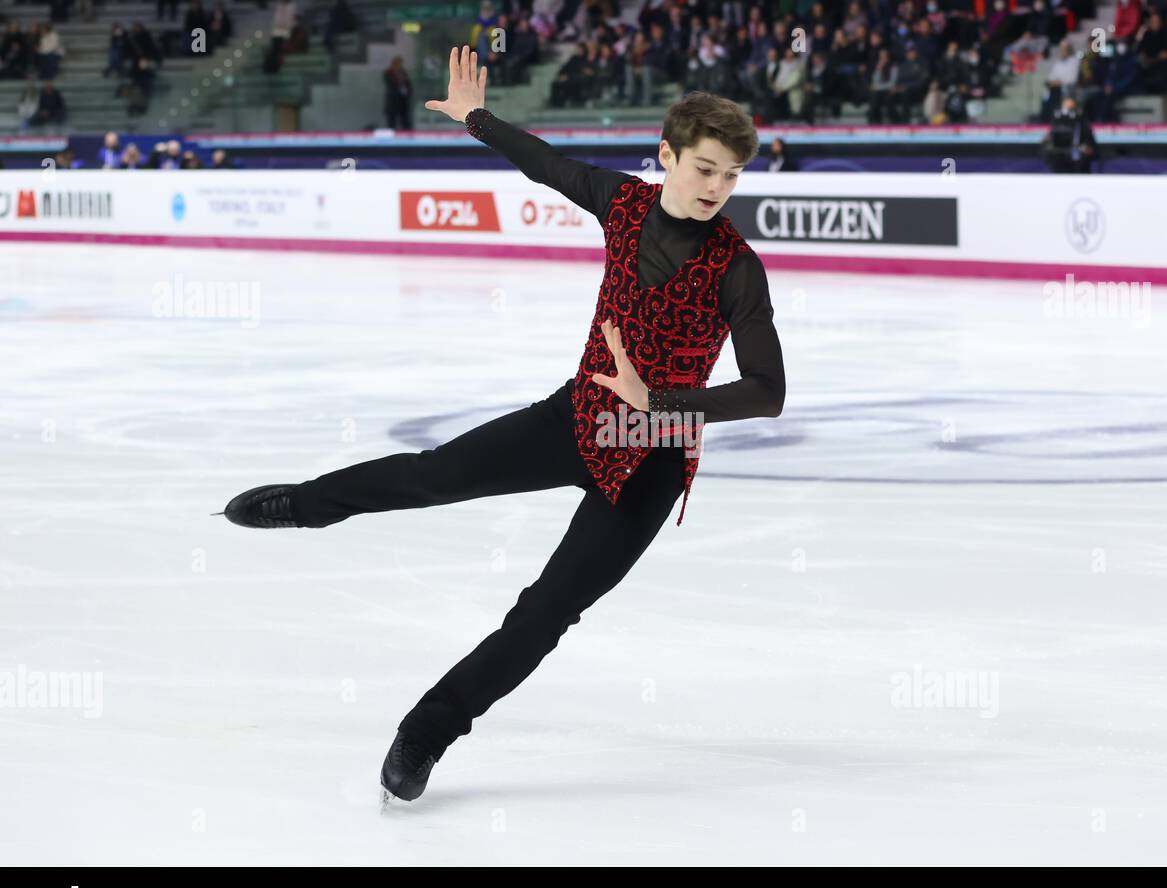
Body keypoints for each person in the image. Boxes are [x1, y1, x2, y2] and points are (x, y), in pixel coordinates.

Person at [221, 46, 786, 805]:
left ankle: (425, 733)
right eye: (705, 168)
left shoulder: (736, 267)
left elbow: (767, 392)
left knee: (545, 612)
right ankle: (307, 504)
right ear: (668, 157)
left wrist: (658, 403)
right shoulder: (622, 202)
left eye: (731, 175)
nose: (718, 187)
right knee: (434, 474)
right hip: (578, 417)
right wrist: (476, 119)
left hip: (648, 460)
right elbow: (546, 164)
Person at [1042, 96, 1097, 172]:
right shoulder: (1056, 123)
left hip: (1079, 164)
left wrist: (1086, 149)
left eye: (1071, 109)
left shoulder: (1083, 125)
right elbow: (1047, 145)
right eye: (1065, 109)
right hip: (1059, 163)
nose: (1068, 113)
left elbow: (1092, 147)